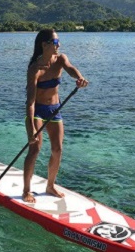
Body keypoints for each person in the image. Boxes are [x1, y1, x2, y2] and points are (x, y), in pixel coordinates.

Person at [22, 29, 89, 203]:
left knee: (57, 149)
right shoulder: (35, 69)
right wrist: (31, 131)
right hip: (37, 110)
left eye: (59, 42)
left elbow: (71, 69)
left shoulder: (60, 59)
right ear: (44, 45)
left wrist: (80, 78)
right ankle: (26, 190)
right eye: (56, 43)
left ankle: (50, 186)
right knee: (35, 148)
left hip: (54, 109)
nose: (59, 45)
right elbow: (30, 102)